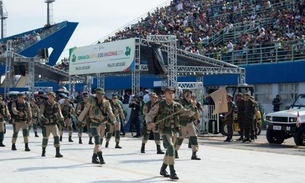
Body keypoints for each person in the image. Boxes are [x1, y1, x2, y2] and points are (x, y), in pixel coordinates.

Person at [145, 87, 198, 180]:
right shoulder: (160, 105)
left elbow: (187, 113)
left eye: (172, 93)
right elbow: (149, 115)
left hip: (174, 130)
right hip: (164, 130)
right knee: (170, 148)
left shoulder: (177, 105)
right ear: (165, 94)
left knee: (170, 150)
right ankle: (172, 171)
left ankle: (163, 169)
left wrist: (193, 108)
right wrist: (149, 123)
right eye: (169, 93)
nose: (171, 94)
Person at [78, 87, 117, 164]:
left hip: (103, 124)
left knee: (99, 142)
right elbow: (84, 111)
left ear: (103, 95)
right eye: (97, 93)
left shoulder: (106, 103)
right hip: (94, 123)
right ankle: (100, 156)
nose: (99, 95)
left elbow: (110, 112)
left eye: (100, 94)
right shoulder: (91, 102)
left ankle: (94, 157)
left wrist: (114, 121)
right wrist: (79, 120)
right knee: (97, 140)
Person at [174, 89, 201, 160]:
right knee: (180, 138)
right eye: (186, 93)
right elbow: (184, 112)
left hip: (190, 122)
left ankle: (194, 153)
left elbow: (196, 111)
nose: (188, 95)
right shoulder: (180, 102)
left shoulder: (192, 102)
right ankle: (175, 151)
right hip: (182, 123)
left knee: (194, 137)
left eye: (189, 93)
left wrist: (198, 119)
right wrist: (192, 108)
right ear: (183, 94)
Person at [39, 92, 64, 157]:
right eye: (49, 96)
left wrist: (62, 120)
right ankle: (43, 151)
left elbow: (59, 113)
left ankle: (57, 152)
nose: (51, 97)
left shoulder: (57, 104)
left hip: (54, 124)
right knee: (45, 137)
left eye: (52, 96)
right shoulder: (44, 104)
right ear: (47, 96)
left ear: (54, 97)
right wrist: (43, 118)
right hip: (46, 124)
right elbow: (40, 113)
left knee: (56, 137)